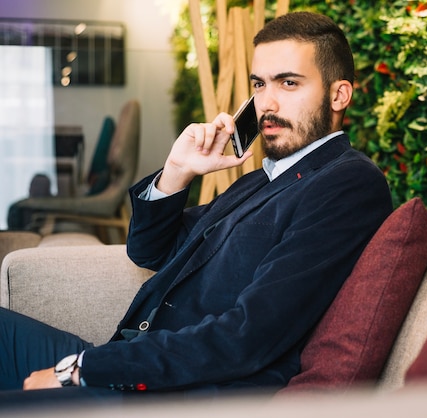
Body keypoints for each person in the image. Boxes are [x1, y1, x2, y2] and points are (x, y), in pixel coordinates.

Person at [0, 11, 392, 399]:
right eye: (259, 84)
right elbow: (150, 251)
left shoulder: (348, 183)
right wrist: (177, 171)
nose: (266, 103)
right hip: (135, 360)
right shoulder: (263, 179)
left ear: (339, 94)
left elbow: (247, 336)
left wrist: (81, 370)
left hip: (179, 393)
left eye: (288, 83)